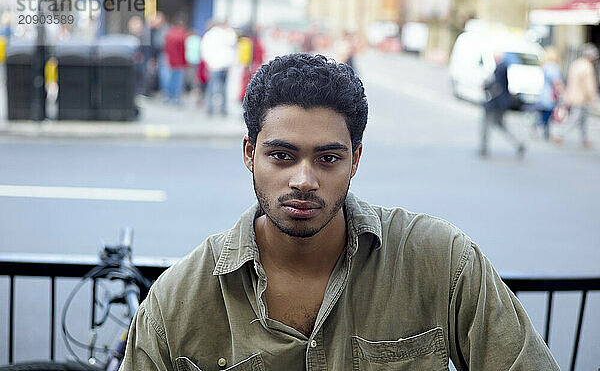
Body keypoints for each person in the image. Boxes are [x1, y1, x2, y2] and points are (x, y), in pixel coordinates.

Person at [120, 53, 559, 370]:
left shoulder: (441, 260)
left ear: (356, 159)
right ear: (250, 154)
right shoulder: (177, 302)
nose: (304, 180)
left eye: (328, 158)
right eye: (282, 156)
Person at [480, 52, 526, 158]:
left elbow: (497, 86)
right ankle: (518, 143)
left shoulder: (500, 68)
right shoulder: (502, 67)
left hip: (495, 104)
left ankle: (484, 147)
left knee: (486, 125)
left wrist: (486, 86)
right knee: (501, 125)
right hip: (500, 104)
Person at [555, 43, 599, 148]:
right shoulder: (587, 67)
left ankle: (585, 139)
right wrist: (593, 97)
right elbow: (589, 85)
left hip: (574, 95)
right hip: (581, 97)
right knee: (575, 118)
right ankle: (560, 135)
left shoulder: (576, 63)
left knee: (582, 119)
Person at [201, 21, 237, 115]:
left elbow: (204, 49)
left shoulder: (210, 35)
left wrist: (208, 62)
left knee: (213, 87)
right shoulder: (227, 34)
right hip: (220, 65)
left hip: (215, 65)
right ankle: (221, 109)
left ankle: (211, 109)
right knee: (221, 88)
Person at [534, 47, 564, 140]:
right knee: (548, 113)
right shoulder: (553, 67)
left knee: (546, 113)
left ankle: (545, 132)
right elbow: (556, 82)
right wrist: (562, 91)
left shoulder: (546, 66)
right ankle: (537, 125)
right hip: (550, 95)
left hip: (544, 93)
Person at [164, 16, 189, 104]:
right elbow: (183, 50)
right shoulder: (182, 35)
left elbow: (166, 48)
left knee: (170, 79)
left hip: (170, 60)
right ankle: (176, 98)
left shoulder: (169, 34)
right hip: (179, 61)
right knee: (178, 81)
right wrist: (185, 62)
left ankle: (168, 96)